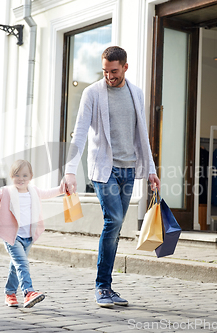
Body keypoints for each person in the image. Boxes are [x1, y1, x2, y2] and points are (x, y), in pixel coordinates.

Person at [62, 46, 160, 308]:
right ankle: (102, 287)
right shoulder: (92, 93)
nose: (109, 76)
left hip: (129, 171)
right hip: (104, 170)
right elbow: (80, 131)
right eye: (105, 71)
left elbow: (142, 136)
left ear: (125, 67)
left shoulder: (136, 93)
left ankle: (106, 286)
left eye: (114, 71)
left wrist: (151, 169)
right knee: (114, 219)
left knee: (115, 228)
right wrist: (70, 170)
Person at [0, 159, 64, 308]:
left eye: (25, 175)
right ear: (11, 176)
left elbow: (48, 193)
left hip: (28, 236)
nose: (21, 179)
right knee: (22, 263)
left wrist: (61, 189)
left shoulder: (34, 191)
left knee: (16, 266)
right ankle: (28, 292)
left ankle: (10, 293)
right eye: (17, 175)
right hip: (12, 236)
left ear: (31, 177)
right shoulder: (6, 191)